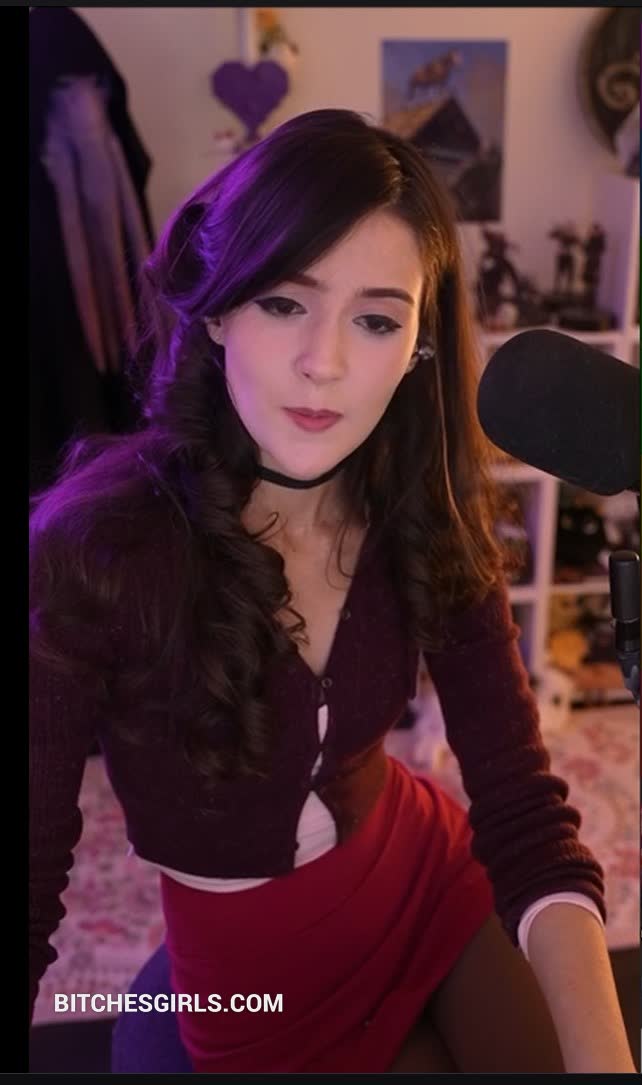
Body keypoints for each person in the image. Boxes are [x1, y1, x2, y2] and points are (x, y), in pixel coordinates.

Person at [29, 108, 635, 1073]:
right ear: (217, 308)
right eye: (284, 303)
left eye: (377, 319)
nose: (327, 363)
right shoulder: (96, 551)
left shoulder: (426, 517)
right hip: (247, 986)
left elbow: (522, 807)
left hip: (427, 880)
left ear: (417, 345)